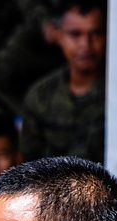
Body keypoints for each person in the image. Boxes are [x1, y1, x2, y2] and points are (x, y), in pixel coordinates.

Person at [21, 0, 106, 163]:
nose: (86, 45)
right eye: (75, 34)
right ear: (59, 36)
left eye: (96, 33)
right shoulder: (40, 96)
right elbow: (29, 164)